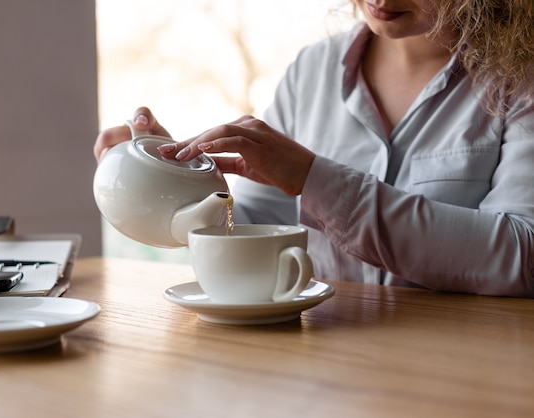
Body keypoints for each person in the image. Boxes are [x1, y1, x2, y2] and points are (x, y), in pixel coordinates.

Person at [94, 1, 534, 297]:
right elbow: (255, 232)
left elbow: (524, 254)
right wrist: (182, 184)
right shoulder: (312, 71)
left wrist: (314, 178)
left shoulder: (522, 75)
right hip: (327, 370)